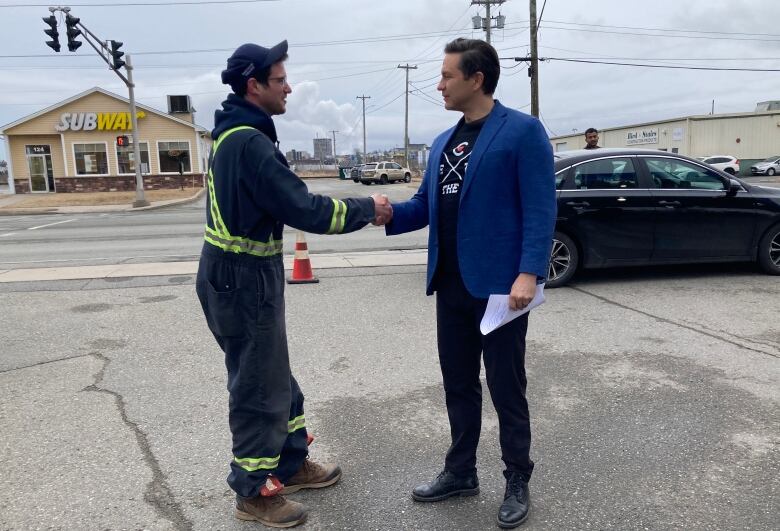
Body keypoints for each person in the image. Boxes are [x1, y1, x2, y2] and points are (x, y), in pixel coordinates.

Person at [196, 40, 392, 528]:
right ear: (253, 85)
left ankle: (288, 463)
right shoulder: (249, 142)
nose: (288, 87)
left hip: (242, 274)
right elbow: (303, 208)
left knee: (274, 377)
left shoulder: (239, 134)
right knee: (258, 387)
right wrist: (369, 210)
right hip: (241, 279)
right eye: (280, 79)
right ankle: (253, 491)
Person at [384, 38, 556, 529]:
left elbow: (541, 208)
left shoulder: (522, 132)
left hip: (501, 291)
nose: (438, 84)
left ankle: (517, 478)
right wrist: (382, 212)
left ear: (476, 79)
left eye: (446, 76)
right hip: (451, 285)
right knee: (458, 387)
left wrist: (529, 272)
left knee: (507, 389)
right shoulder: (443, 143)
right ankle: (460, 472)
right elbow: (423, 207)